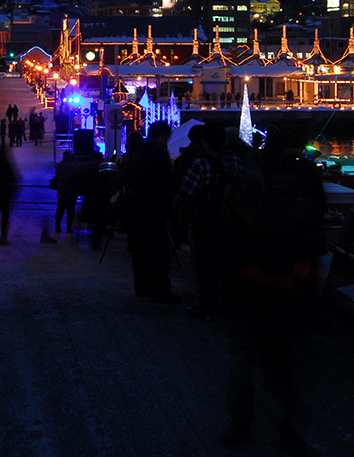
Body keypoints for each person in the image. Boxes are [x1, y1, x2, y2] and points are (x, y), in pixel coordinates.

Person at [220, 125, 326, 451]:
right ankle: (291, 427)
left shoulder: (253, 171)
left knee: (242, 359)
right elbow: (317, 221)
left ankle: (240, 422)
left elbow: (233, 220)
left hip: (251, 279)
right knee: (289, 362)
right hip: (291, 281)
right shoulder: (307, 175)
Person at [173, 120, 242, 319]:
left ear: (204, 141)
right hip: (231, 217)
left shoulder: (201, 163)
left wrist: (176, 211)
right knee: (227, 263)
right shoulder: (235, 160)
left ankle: (207, 304)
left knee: (206, 264)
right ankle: (229, 303)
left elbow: (186, 192)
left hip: (207, 218)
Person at [127, 121, 180, 301]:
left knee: (142, 249)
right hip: (154, 208)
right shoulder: (155, 155)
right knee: (158, 250)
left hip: (142, 207)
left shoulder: (143, 153)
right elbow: (164, 181)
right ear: (160, 136)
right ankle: (159, 288)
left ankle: (143, 285)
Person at [0, 145, 17, 245]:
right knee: (5, 215)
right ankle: (3, 237)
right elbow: (12, 178)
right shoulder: (6, 164)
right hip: (5, 193)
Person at [51, 151, 80, 235]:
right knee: (71, 211)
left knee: (60, 209)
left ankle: (57, 226)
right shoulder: (73, 167)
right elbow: (79, 171)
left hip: (62, 192)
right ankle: (69, 227)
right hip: (72, 192)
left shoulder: (60, 166)